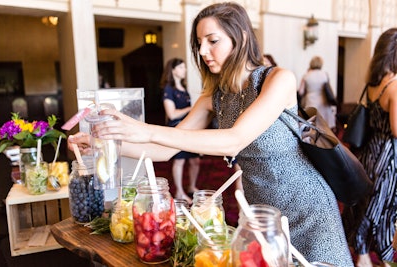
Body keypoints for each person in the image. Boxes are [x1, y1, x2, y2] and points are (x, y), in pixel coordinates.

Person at [68, 3, 353, 266]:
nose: (203, 51)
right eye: (199, 43)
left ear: (239, 37)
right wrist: (105, 145)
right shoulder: (213, 96)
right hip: (259, 212)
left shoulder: (278, 79)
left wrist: (144, 129)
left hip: (308, 210)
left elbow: (235, 139)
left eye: (212, 41)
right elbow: (167, 149)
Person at [342, 28, 397, 267]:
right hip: (388, 158)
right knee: (385, 209)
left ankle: (364, 253)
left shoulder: (373, 83)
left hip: (369, 153)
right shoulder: (395, 86)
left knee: (370, 203)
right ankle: (383, 258)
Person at [161, 58, 200, 203]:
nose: (185, 70)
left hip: (189, 130)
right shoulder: (168, 89)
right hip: (176, 129)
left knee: (195, 160)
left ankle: (191, 186)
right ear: (173, 70)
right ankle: (179, 192)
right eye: (182, 67)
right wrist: (192, 108)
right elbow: (171, 114)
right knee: (180, 161)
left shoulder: (184, 90)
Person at [297, 56, 336, 131]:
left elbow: (301, 92)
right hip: (323, 102)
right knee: (325, 128)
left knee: (312, 126)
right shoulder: (324, 74)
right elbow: (328, 89)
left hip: (311, 101)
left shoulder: (306, 75)